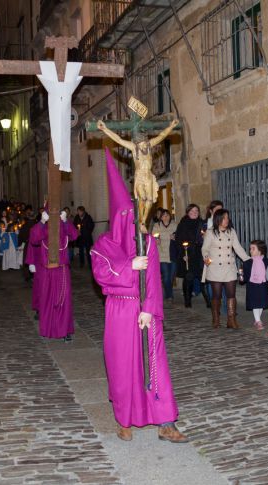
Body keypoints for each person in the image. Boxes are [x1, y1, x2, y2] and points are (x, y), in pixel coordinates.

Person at [90, 148, 187, 444]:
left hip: (145, 312)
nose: (133, 222)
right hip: (119, 311)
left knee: (155, 365)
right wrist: (129, 266)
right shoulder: (104, 244)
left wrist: (148, 309)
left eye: (135, 216)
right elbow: (102, 274)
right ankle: (124, 419)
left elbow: (155, 279)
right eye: (127, 216)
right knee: (123, 365)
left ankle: (165, 421)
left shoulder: (147, 242)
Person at [96, 118, 179, 229]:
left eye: (145, 143)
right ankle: (141, 221)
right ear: (137, 143)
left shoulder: (149, 145)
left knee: (150, 199)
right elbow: (119, 140)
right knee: (142, 198)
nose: (144, 145)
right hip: (140, 176)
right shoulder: (134, 148)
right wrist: (105, 129)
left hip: (148, 176)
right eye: (141, 143)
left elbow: (162, 136)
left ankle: (143, 221)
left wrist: (171, 126)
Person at [27, 208, 79, 340]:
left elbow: (74, 235)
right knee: (47, 300)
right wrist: (42, 222)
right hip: (47, 269)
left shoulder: (63, 224)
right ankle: (48, 329)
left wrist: (66, 221)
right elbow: (33, 239)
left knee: (63, 300)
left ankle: (64, 330)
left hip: (62, 269)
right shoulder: (44, 226)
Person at [201, 208, 250, 328]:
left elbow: (237, 248)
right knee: (217, 295)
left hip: (229, 267)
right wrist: (206, 258)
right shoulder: (210, 232)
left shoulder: (231, 231)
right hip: (215, 268)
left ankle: (231, 320)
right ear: (218, 219)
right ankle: (216, 318)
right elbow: (204, 249)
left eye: (227, 217)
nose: (227, 220)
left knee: (231, 294)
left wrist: (248, 260)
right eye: (224, 218)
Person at [175, 204, 205, 308]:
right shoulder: (183, 224)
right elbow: (178, 240)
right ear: (188, 212)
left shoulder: (202, 223)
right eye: (192, 211)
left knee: (203, 277)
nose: (194, 212)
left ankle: (209, 302)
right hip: (187, 254)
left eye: (196, 210)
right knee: (189, 277)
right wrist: (183, 254)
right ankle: (187, 300)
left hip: (200, 254)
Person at [240, 240, 268, 330]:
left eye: (253, 249)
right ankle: (258, 321)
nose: (250, 250)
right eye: (250, 249)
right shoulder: (248, 263)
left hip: (263, 285)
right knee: (255, 303)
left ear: (260, 250)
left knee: (261, 303)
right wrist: (241, 277)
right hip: (252, 286)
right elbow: (245, 277)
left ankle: (258, 319)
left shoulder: (267, 261)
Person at [152, 209, 178, 307]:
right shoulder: (157, 226)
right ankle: (169, 296)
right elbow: (153, 236)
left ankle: (168, 292)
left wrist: (175, 237)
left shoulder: (174, 225)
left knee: (171, 277)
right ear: (161, 217)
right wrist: (156, 240)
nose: (165, 217)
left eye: (167, 215)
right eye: (164, 215)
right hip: (161, 254)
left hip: (172, 254)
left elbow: (179, 236)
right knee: (166, 276)